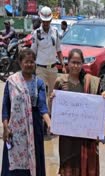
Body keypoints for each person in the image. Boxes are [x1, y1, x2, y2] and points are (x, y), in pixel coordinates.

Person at [50, 48, 105, 176]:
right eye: (72, 62)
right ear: (67, 63)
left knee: (84, 172)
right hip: (68, 139)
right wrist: (52, 100)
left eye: (78, 62)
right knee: (68, 172)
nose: (75, 66)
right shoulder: (60, 82)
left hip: (85, 138)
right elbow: (53, 110)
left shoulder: (91, 82)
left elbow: (99, 106)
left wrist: (104, 95)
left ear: (82, 64)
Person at [0, 48, 51, 176]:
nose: (29, 64)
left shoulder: (39, 83)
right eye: (26, 61)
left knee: (30, 166)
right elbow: (5, 108)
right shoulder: (11, 82)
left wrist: (50, 124)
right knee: (13, 167)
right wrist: (5, 128)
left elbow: (43, 108)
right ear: (20, 63)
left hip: (33, 131)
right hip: (15, 131)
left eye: (32, 61)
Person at [31, 6, 66, 135]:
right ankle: (42, 122)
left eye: (48, 21)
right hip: (40, 68)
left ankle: (50, 122)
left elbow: (59, 50)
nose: (46, 23)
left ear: (51, 20)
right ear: (41, 20)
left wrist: (63, 65)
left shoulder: (55, 32)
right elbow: (33, 52)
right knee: (41, 96)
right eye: (43, 21)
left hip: (52, 68)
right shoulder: (36, 34)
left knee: (53, 96)